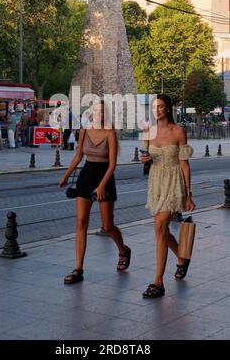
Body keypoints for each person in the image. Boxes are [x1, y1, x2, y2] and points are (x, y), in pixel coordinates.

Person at [59, 100, 131, 284]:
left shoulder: (110, 134)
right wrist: (66, 176)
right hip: (86, 176)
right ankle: (78, 269)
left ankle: (123, 250)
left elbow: (113, 164)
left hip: (104, 177)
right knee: (81, 222)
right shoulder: (84, 131)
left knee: (107, 226)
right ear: (91, 114)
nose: (98, 115)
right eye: (96, 111)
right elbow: (78, 156)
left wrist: (101, 186)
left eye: (102, 112)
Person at [141, 94, 195, 299]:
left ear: (168, 109)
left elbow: (184, 164)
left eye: (161, 107)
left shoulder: (178, 131)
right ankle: (182, 257)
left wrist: (189, 194)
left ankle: (158, 282)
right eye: (155, 107)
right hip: (155, 182)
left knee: (160, 227)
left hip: (173, 182)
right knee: (162, 231)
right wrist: (144, 159)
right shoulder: (147, 132)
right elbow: (145, 160)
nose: (157, 110)